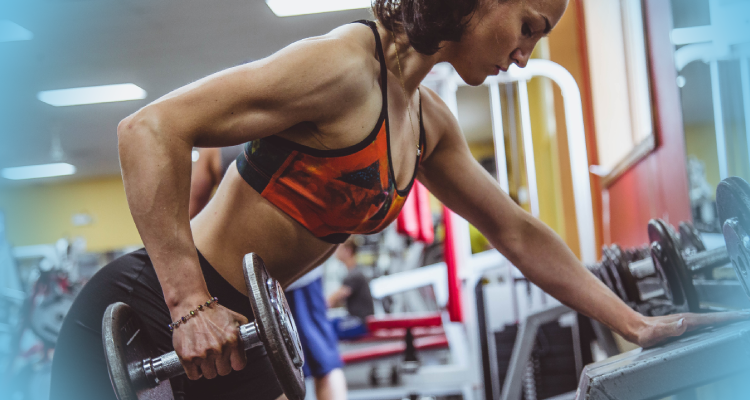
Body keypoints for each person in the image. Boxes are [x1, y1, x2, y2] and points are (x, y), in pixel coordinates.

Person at [51, 0, 749, 399]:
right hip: (150, 313)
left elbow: (515, 230)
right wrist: (187, 303)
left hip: (239, 332)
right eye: (530, 25)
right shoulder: (340, 67)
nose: (526, 54)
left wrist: (635, 322)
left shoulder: (423, 122)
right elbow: (148, 130)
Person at [191, 146, 348, 399]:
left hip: (240, 272)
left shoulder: (212, 145)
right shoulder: (283, 117)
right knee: (321, 359)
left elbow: (194, 208)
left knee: (266, 367)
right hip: (295, 261)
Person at [327, 238, 374, 339]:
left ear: (348, 251)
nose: (336, 252)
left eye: (339, 248)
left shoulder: (354, 274)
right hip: (355, 318)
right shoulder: (353, 272)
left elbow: (336, 297)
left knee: (329, 328)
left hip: (361, 322)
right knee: (331, 323)